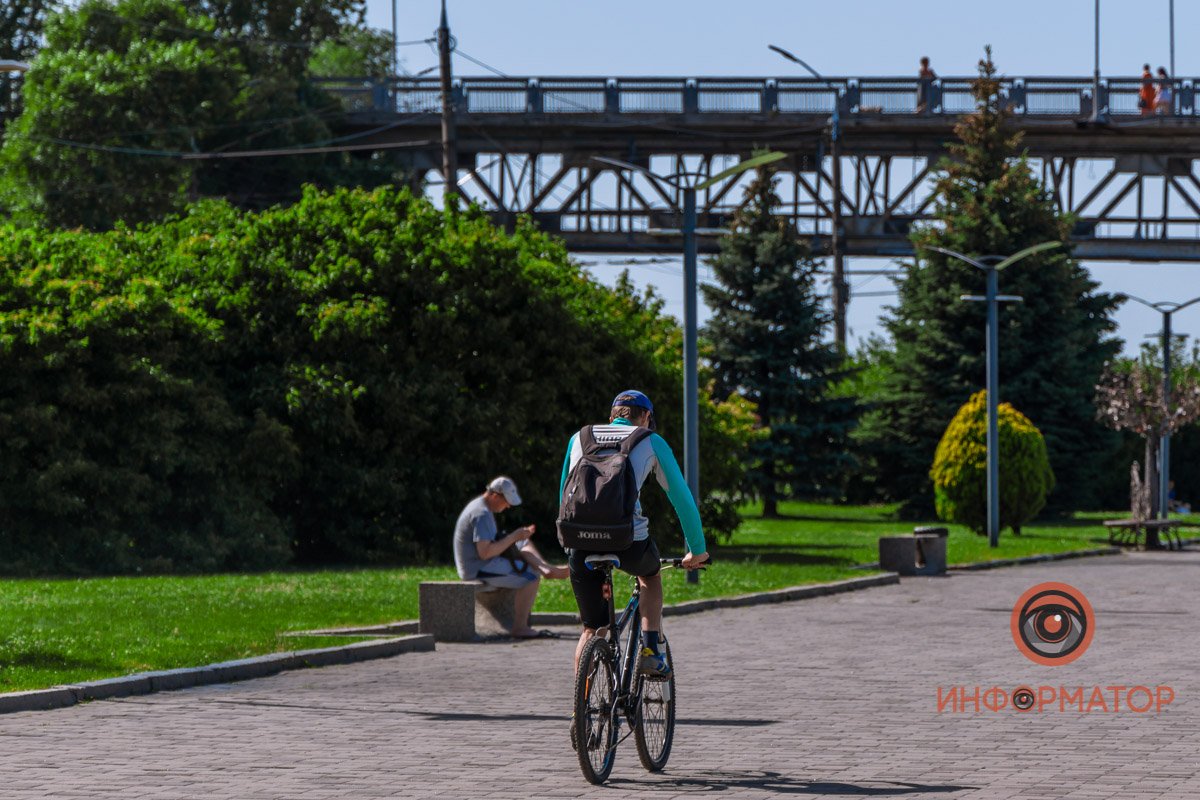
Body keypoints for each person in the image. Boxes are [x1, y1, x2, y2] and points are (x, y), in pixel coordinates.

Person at [560, 390, 709, 680]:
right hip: (628, 542)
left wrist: (568, 542)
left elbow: (564, 495)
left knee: (592, 629)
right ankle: (651, 651)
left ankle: (581, 714)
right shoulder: (649, 440)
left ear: (612, 415)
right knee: (650, 577)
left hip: (578, 541)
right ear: (646, 417)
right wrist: (697, 548)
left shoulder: (579, 437)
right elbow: (681, 498)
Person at [453, 475, 569, 639]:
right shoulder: (481, 513)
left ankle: (546, 568)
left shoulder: (481, 507)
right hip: (476, 568)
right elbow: (484, 553)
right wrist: (514, 537)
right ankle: (520, 628)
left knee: (524, 542)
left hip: (481, 562)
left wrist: (518, 537)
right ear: (495, 495)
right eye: (506, 501)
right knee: (531, 577)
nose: (507, 506)